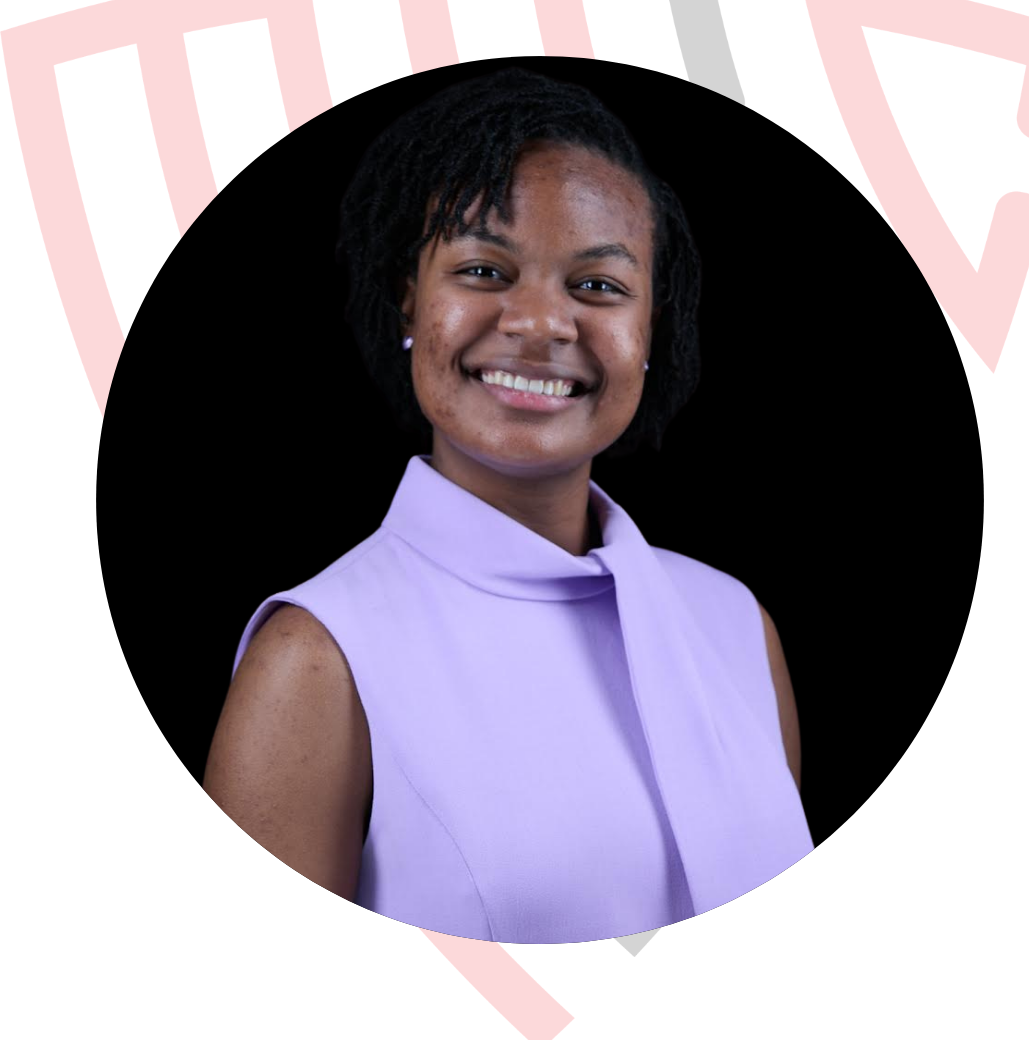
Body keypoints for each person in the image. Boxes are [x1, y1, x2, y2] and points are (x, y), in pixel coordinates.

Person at [202, 65, 814, 943]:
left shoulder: (732, 625)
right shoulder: (318, 657)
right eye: (485, 269)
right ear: (412, 299)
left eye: (598, 286)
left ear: (649, 335)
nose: (539, 323)